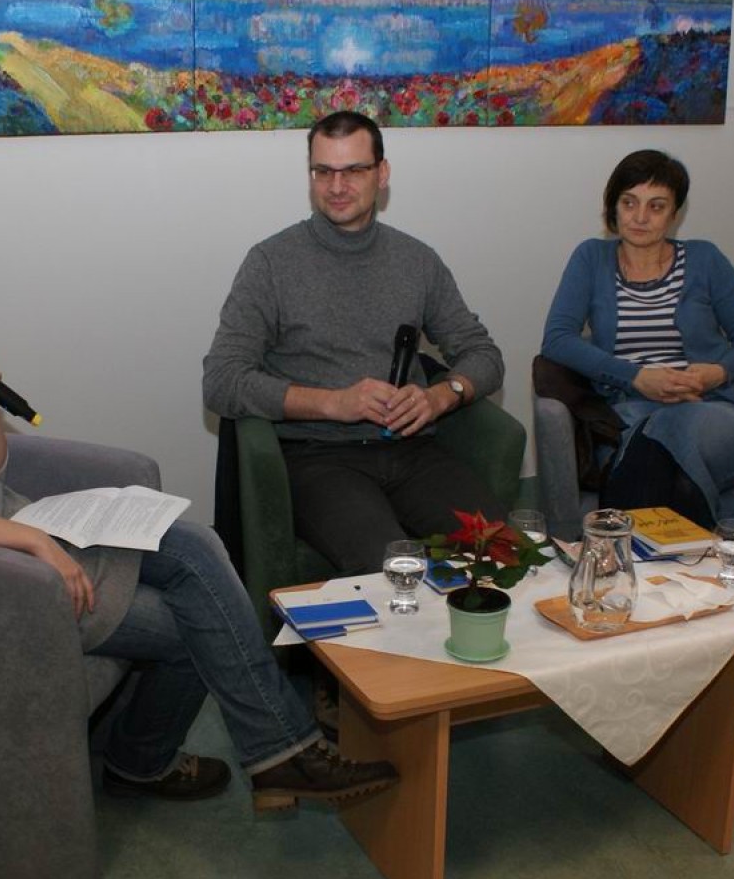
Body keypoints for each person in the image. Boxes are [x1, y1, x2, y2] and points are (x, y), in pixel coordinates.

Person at [0, 219, 397, 813]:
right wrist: (33, 543)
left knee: (196, 546)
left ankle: (271, 752)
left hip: (22, 537)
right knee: (197, 623)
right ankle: (164, 758)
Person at [202, 110, 508, 575]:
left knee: (503, 552)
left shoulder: (417, 261)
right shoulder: (270, 263)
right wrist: (334, 403)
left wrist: (441, 397)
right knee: (390, 567)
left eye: (353, 171)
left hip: (412, 452)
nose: (336, 186)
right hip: (318, 457)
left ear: (382, 174)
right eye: (323, 171)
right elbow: (222, 381)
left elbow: (483, 355)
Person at [540, 150, 734, 528]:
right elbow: (557, 339)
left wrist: (715, 373)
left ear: (674, 214)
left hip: (712, 414)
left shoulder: (705, 259)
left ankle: (617, 546)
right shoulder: (591, 258)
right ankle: (714, 538)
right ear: (613, 206)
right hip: (630, 415)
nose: (640, 217)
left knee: (666, 432)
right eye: (629, 202)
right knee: (665, 467)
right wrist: (636, 377)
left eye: (656, 206)